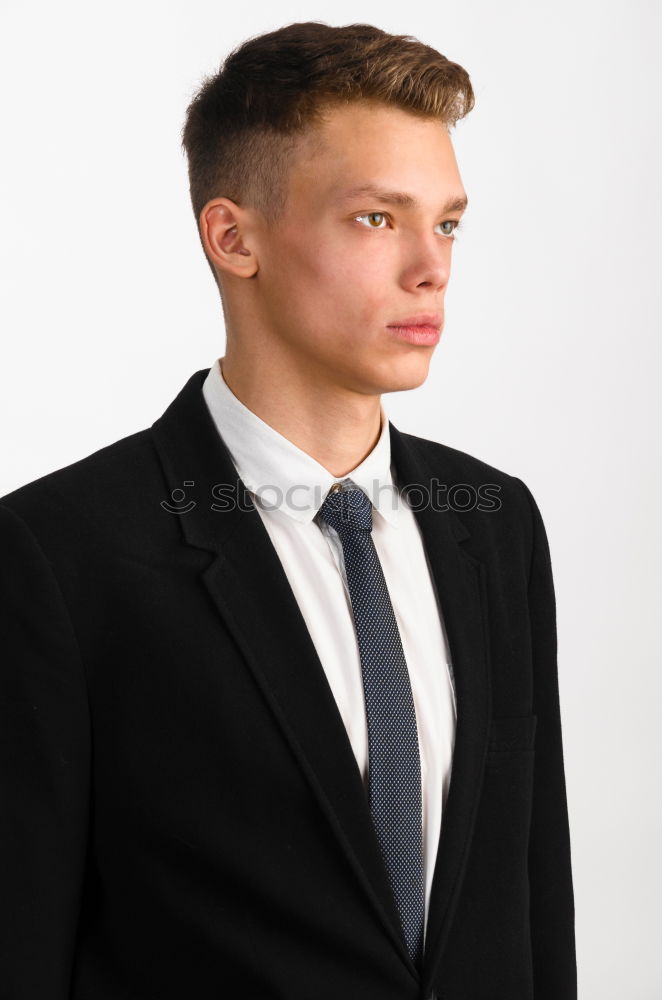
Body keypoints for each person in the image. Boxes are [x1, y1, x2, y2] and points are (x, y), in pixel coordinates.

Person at [0, 20, 577, 1000]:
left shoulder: (492, 523)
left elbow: (531, 905)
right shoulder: (59, 556)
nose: (430, 267)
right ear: (234, 237)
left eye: (444, 222)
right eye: (374, 218)